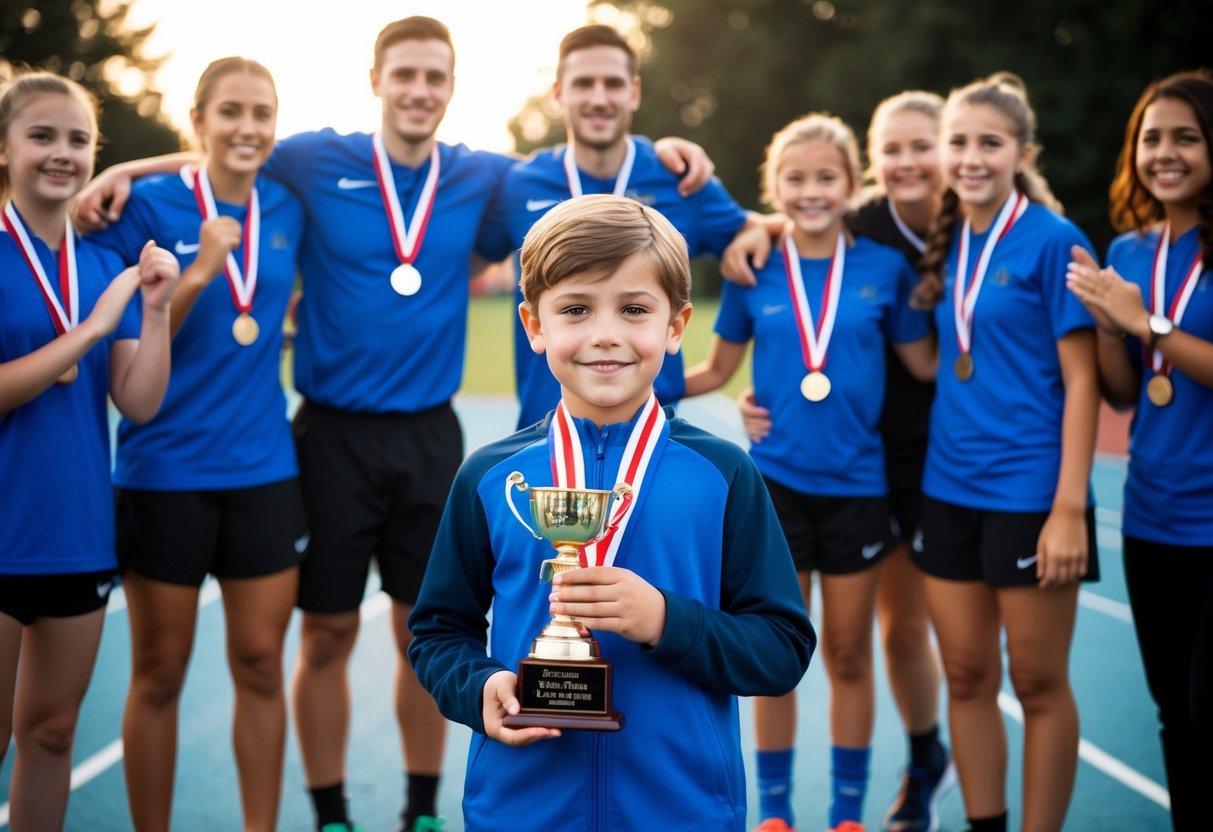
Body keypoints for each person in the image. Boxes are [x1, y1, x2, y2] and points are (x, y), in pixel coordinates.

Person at [72, 17, 712, 832]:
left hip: (428, 437)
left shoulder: (483, 175)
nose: (419, 91)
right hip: (330, 435)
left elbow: (584, 163)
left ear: (451, 89)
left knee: (427, 629)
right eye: (404, 74)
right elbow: (226, 153)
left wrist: (668, 153)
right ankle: (333, 812)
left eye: (435, 78)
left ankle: (420, 810)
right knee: (328, 632)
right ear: (374, 79)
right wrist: (126, 165)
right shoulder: (314, 156)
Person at [407, 193, 816, 831]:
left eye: (633, 309)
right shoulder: (490, 477)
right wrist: (477, 688)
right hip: (520, 809)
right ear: (534, 325)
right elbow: (437, 631)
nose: (605, 334)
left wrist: (663, 620)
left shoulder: (724, 473)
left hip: (682, 811)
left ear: (676, 327)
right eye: (575, 309)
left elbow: (783, 648)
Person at [686, 113, 935, 832]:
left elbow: (923, 367)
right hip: (776, 491)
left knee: (850, 654)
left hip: (860, 489)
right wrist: (636, 377)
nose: (810, 192)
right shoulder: (753, 267)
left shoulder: (884, 271)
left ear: (850, 184)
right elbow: (717, 369)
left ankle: (847, 816)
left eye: (825, 177)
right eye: (794, 179)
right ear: (776, 187)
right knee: (774, 654)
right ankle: (774, 816)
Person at [84, 57, 305, 832]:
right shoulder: (144, 208)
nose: (248, 128)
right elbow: (141, 343)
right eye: (231, 112)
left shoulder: (288, 201)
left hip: (264, 472)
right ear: (200, 118)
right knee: (158, 673)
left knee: (258, 664)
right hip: (163, 472)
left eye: (262, 113)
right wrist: (204, 270)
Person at [910, 73, 1100, 832]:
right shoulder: (952, 236)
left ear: (1022, 151)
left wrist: (1066, 511)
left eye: (989, 143)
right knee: (964, 673)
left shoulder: (1056, 239)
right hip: (946, 488)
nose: (970, 157)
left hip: (1029, 495)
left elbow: (1083, 382)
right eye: (957, 141)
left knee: (1037, 680)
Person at [0, 70, 177, 831]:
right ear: (4, 148)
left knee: (51, 733)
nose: (61, 153)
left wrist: (158, 310)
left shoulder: (104, 266)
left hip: (73, 533)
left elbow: (136, 400)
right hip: (2, 533)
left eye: (78, 139)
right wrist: (90, 331)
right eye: (42, 135)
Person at [1065, 69, 1213, 832]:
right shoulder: (1128, 246)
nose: (1164, 153)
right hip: (1153, 520)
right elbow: (1124, 391)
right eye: (1150, 138)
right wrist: (1104, 320)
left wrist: (1144, 319)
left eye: (1184, 137)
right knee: (1173, 724)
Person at [475, 24, 750, 429]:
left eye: (613, 84)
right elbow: (463, 261)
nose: (599, 98)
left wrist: (722, 368)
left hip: (656, 433)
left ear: (634, 91)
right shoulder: (519, 183)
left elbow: (758, 238)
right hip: (545, 432)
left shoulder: (682, 178)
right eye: (584, 83)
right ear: (558, 92)